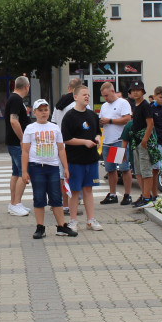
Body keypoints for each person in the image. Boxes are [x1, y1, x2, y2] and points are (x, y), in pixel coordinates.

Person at [21, 99, 76, 238]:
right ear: (34, 112)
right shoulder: (30, 129)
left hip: (52, 167)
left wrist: (66, 167)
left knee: (56, 198)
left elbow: (61, 149)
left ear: (49, 111)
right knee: (39, 197)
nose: (43, 113)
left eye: (46, 110)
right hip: (36, 167)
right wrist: (24, 171)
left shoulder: (55, 127)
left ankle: (61, 226)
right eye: (40, 110)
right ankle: (40, 227)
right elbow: (25, 151)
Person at [61, 85, 103, 232]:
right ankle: (73, 221)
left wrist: (97, 138)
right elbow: (66, 139)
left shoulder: (92, 115)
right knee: (74, 191)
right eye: (84, 94)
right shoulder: (69, 116)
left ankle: (90, 220)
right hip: (75, 160)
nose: (87, 97)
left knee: (88, 190)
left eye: (88, 95)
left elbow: (98, 132)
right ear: (75, 97)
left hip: (91, 159)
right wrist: (84, 142)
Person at [99, 81, 134, 206]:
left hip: (119, 140)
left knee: (124, 168)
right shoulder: (104, 106)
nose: (106, 98)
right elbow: (103, 120)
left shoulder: (122, 103)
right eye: (104, 96)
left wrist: (110, 120)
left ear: (113, 91)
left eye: (107, 95)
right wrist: (102, 122)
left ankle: (127, 195)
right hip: (108, 141)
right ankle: (112, 194)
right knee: (110, 169)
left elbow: (127, 119)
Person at [127, 81, 159, 208]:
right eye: (133, 90)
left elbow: (150, 124)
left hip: (143, 141)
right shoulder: (136, 105)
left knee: (146, 171)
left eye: (138, 90)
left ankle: (147, 198)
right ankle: (144, 194)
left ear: (143, 92)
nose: (135, 92)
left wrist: (145, 140)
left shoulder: (145, 105)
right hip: (136, 140)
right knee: (139, 171)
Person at [5, 76, 32, 216]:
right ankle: (16, 204)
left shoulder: (14, 98)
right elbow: (14, 121)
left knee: (16, 173)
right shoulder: (16, 99)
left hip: (13, 142)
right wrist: (23, 139)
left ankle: (14, 203)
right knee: (23, 173)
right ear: (26, 86)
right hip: (17, 143)